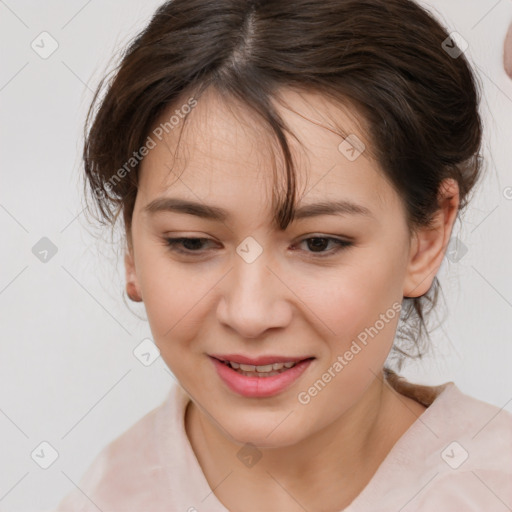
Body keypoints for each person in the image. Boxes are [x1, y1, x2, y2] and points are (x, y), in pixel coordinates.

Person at [55, 0, 512, 510]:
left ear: (426, 238)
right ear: (131, 247)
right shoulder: (105, 496)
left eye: (319, 243)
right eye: (192, 242)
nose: (250, 314)